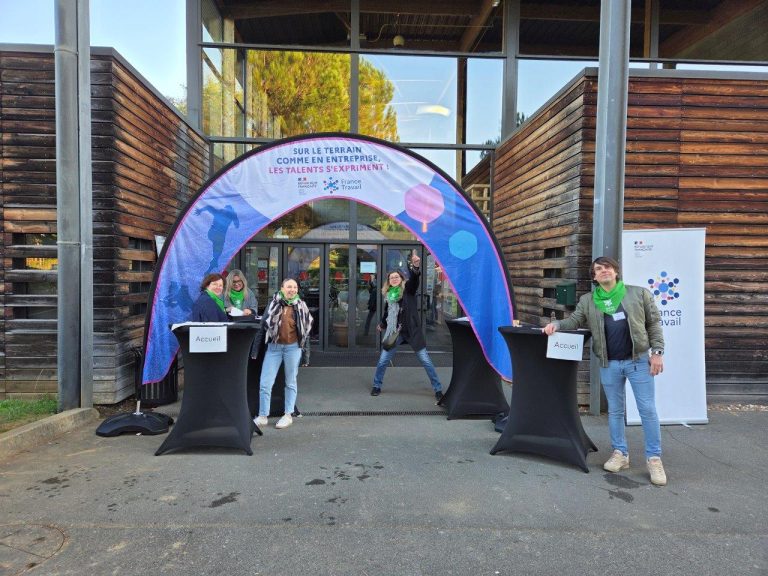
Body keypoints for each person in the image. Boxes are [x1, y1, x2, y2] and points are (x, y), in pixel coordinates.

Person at [543, 256, 667, 485]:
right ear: (594, 277)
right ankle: (620, 454)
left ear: (616, 271)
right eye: (598, 269)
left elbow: (654, 324)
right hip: (609, 364)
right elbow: (574, 320)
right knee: (616, 411)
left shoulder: (638, 294)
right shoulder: (589, 300)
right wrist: (557, 325)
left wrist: (657, 352)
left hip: (639, 361)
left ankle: (654, 459)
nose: (603, 271)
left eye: (607, 267)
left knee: (647, 410)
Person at [371, 251, 444, 403]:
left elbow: (414, 280)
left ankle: (438, 389)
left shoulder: (408, 291)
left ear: (401, 279)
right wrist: (382, 324)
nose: (395, 279)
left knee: (425, 360)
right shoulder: (389, 297)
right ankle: (376, 385)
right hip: (395, 332)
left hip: (412, 331)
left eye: (397, 277)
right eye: (392, 278)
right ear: (389, 282)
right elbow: (387, 313)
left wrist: (416, 267)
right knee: (383, 360)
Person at [255, 278, 314, 430]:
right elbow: (262, 327)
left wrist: (306, 356)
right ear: (282, 288)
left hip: (293, 348)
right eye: (289, 287)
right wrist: (255, 350)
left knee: (290, 382)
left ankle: (288, 414)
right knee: (265, 383)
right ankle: (262, 416)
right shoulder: (273, 303)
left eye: (294, 287)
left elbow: (305, 333)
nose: (292, 290)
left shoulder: (301, 306)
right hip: (274, 348)